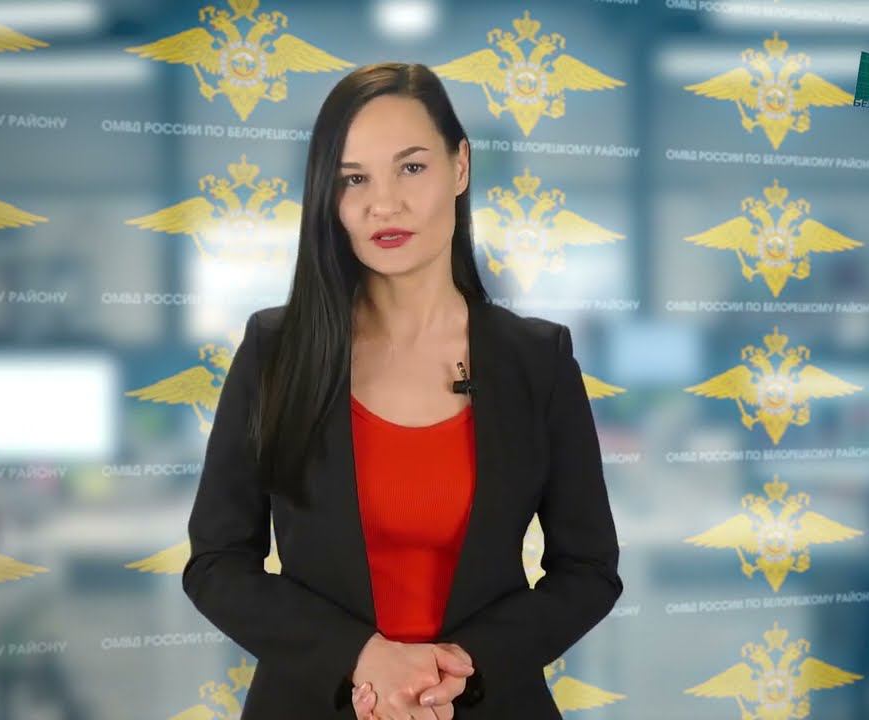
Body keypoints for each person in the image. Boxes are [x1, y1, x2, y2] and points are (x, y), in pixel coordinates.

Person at [183, 62, 622, 719]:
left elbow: (588, 570)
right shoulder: (276, 352)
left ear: (460, 167)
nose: (382, 204)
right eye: (353, 179)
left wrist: (461, 668)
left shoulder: (537, 361)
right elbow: (217, 563)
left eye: (411, 168)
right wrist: (361, 657)